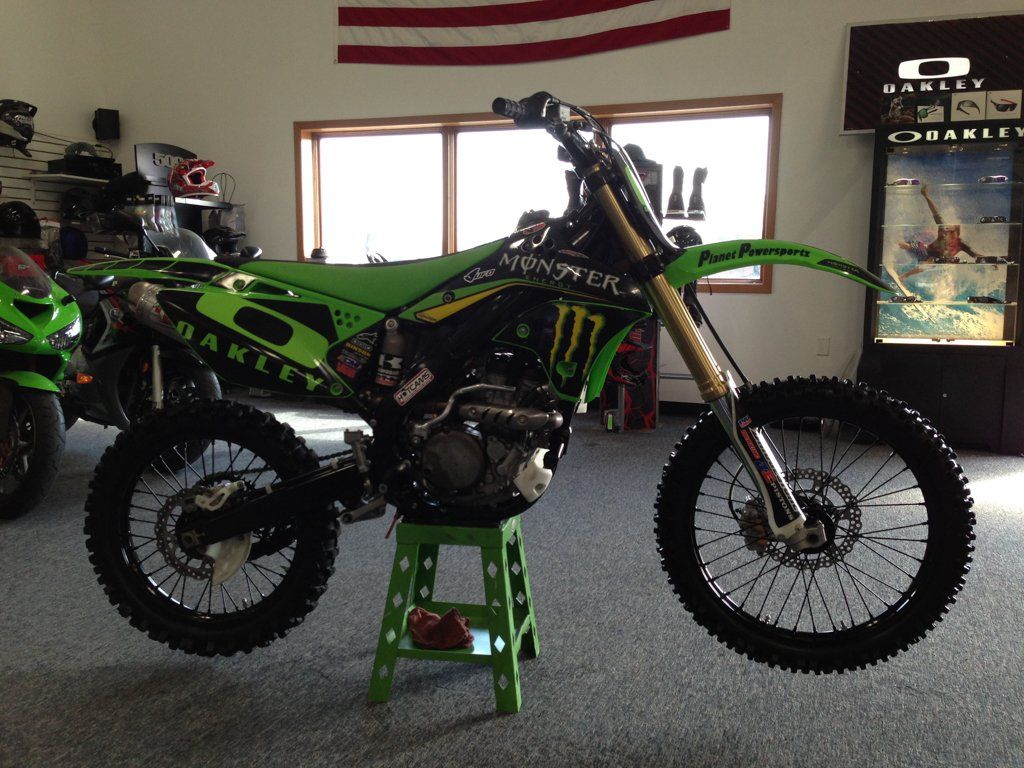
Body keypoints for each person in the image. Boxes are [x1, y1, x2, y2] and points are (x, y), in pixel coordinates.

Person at [896, 184, 986, 280]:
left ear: (956, 234)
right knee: (906, 245)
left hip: (934, 260)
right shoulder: (944, 230)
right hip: (925, 250)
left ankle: (904, 276)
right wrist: (926, 196)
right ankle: (890, 241)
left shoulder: (961, 244)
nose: (947, 233)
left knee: (930, 262)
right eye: (948, 231)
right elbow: (935, 213)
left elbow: (975, 255)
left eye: (951, 232)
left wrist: (990, 261)